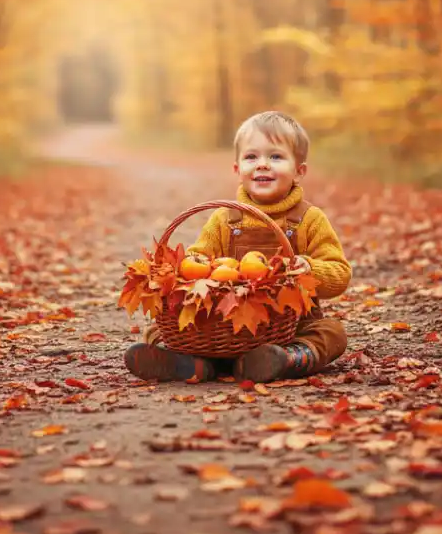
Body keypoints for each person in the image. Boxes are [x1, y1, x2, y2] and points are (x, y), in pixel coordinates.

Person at [124, 111, 351, 383]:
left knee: (332, 332)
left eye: (276, 157)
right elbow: (196, 261)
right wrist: (182, 273)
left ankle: (284, 360)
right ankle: (189, 364)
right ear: (237, 169)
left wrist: (309, 268)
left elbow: (339, 273)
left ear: (299, 171)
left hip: (291, 327)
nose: (263, 165)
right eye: (251, 157)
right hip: (224, 328)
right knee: (159, 329)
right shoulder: (224, 219)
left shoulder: (309, 220)